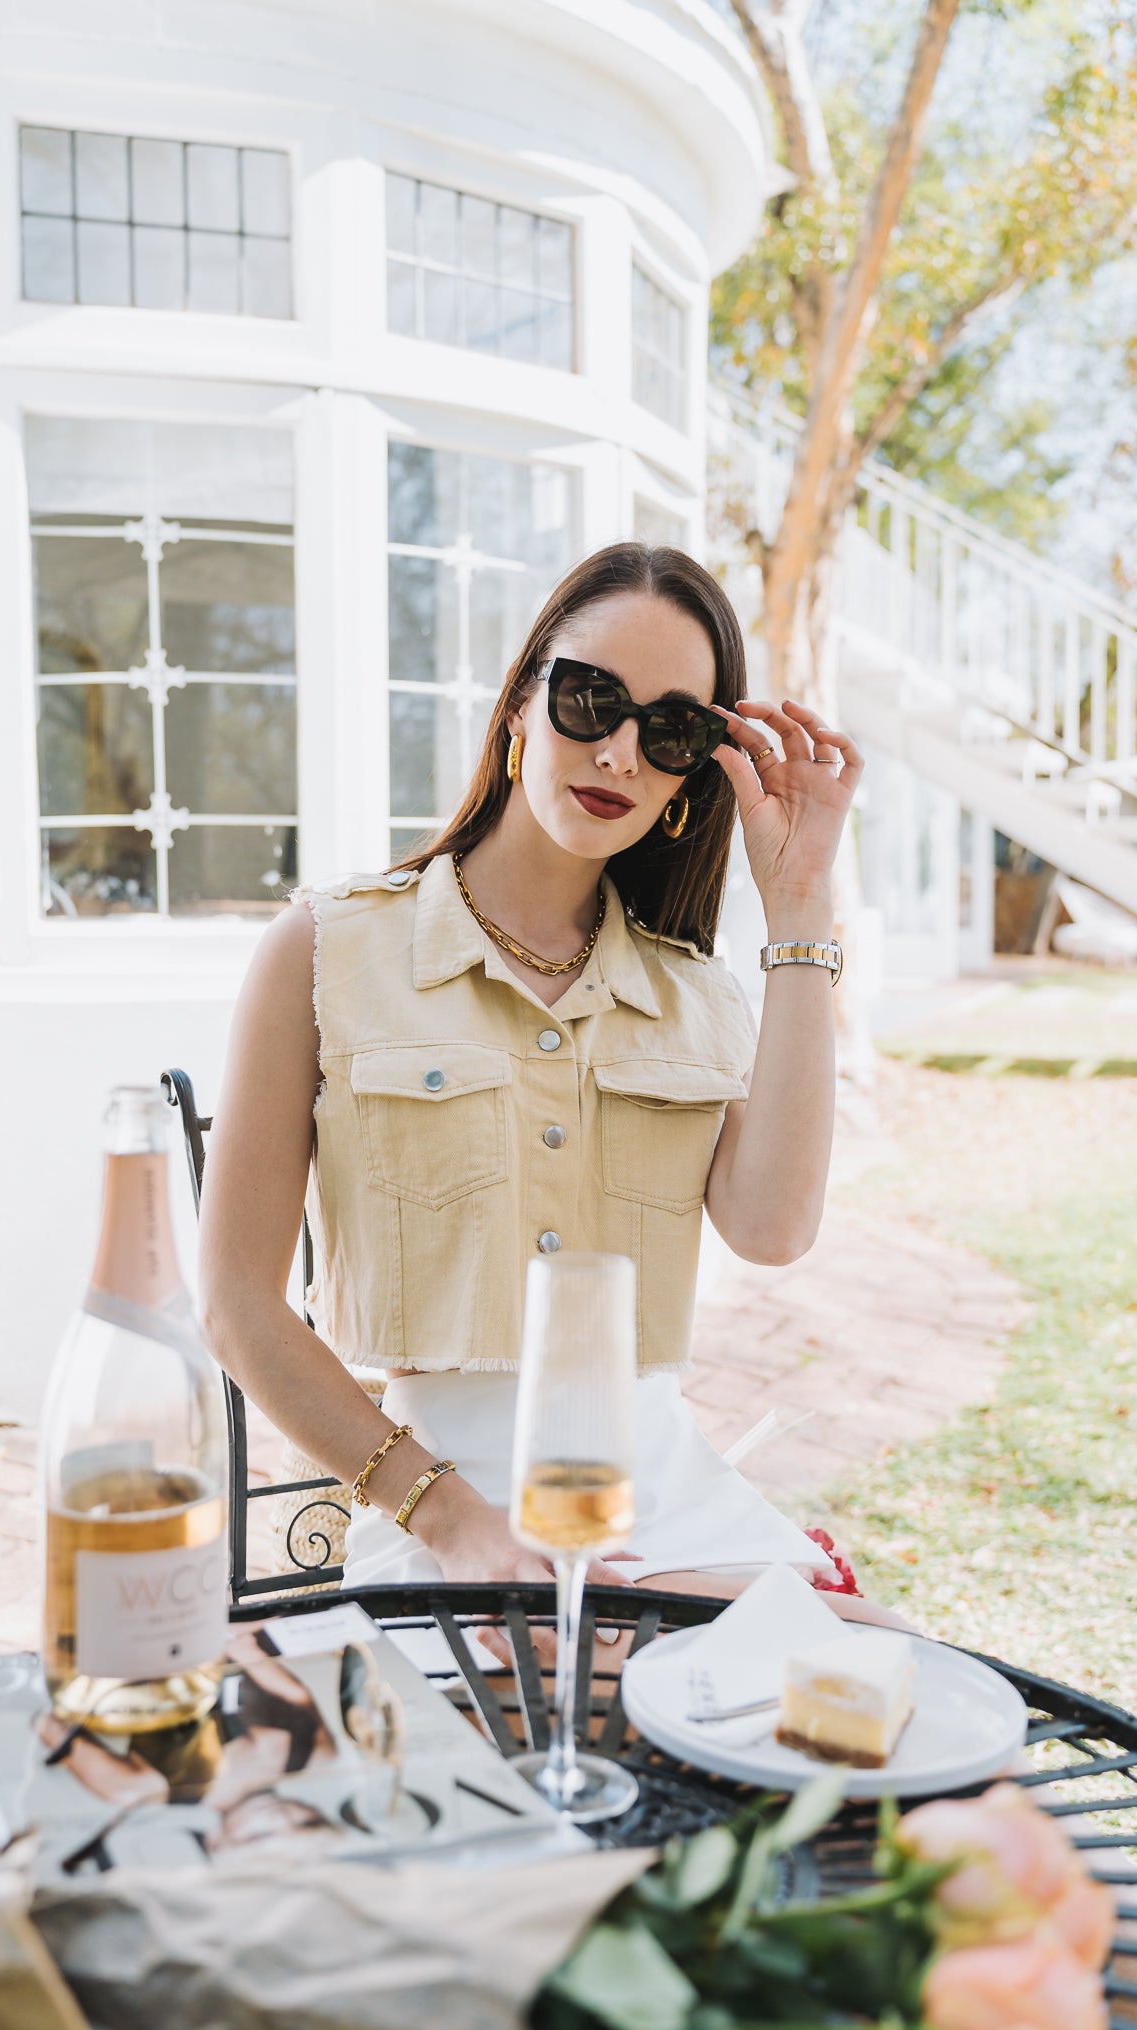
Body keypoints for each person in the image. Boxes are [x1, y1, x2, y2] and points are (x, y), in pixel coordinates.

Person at [199, 541, 897, 1626]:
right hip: (445, 1511)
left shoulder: (694, 993)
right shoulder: (328, 949)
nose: (619, 750)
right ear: (522, 701)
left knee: (893, 1680)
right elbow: (239, 1305)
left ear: (692, 771)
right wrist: (449, 1513)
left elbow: (774, 1226)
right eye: (589, 697)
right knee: (616, 1709)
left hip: (668, 1505)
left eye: (669, 728)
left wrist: (799, 907)